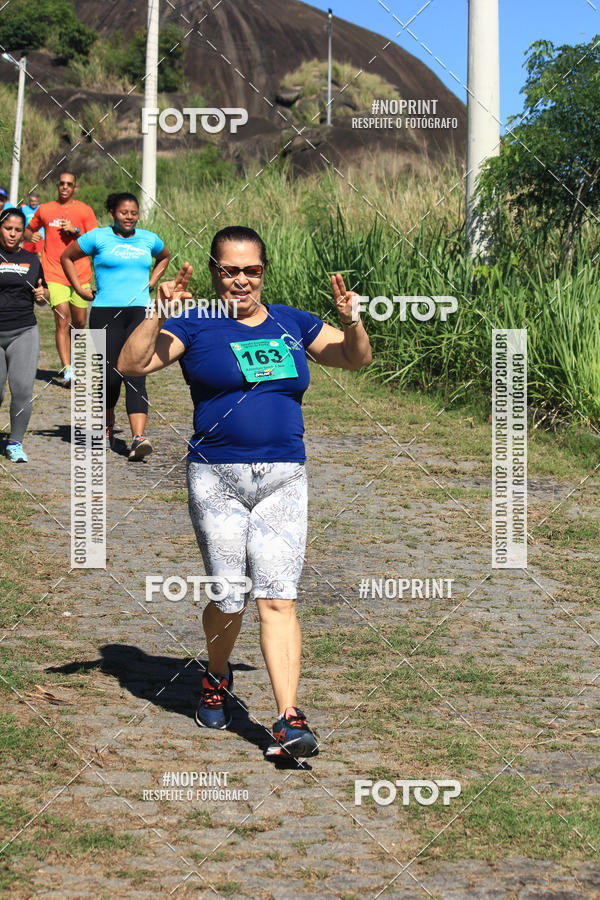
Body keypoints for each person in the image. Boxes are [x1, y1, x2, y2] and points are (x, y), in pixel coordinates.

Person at [117, 225, 372, 757]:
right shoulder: (194, 322)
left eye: (251, 270)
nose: (241, 280)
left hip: (284, 478)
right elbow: (131, 364)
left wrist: (352, 321)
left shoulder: (291, 321)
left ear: (263, 271)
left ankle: (288, 719)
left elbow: (354, 358)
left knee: (277, 598)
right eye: (230, 270)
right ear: (214, 272)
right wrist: (157, 311)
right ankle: (216, 673)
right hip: (217, 479)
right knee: (230, 596)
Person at [61, 192, 170, 460]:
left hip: (140, 313)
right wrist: (79, 289)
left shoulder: (148, 239)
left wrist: (152, 282)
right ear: (112, 213)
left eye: (133, 213)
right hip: (105, 312)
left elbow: (164, 257)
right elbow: (66, 257)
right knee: (111, 376)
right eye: (123, 212)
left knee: (136, 373)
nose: (129, 217)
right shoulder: (97, 237)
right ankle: (108, 423)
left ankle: (138, 438)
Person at [24, 172, 97, 387]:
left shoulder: (84, 210)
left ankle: (75, 361)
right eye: (62, 184)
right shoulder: (45, 209)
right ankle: (68, 371)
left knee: (79, 322)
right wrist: (30, 236)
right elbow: (28, 230)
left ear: (75, 188)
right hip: (54, 272)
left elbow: (95, 240)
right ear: (57, 186)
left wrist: (76, 231)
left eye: (69, 184)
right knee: (62, 319)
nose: (65, 187)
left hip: (80, 273)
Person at [0, 207, 49, 462]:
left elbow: (44, 293)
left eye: (18, 230)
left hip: (23, 331)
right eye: (8, 228)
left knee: (22, 390)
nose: (13, 234)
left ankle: (15, 443)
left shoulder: (32, 260)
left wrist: (42, 296)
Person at [20, 192, 44, 258]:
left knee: (39, 254)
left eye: (35, 201)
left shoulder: (42, 209)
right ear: (29, 201)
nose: (33, 203)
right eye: (32, 201)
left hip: (39, 236)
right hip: (28, 236)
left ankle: (39, 265)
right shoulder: (23, 209)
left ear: (38, 201)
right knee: (27, 256)